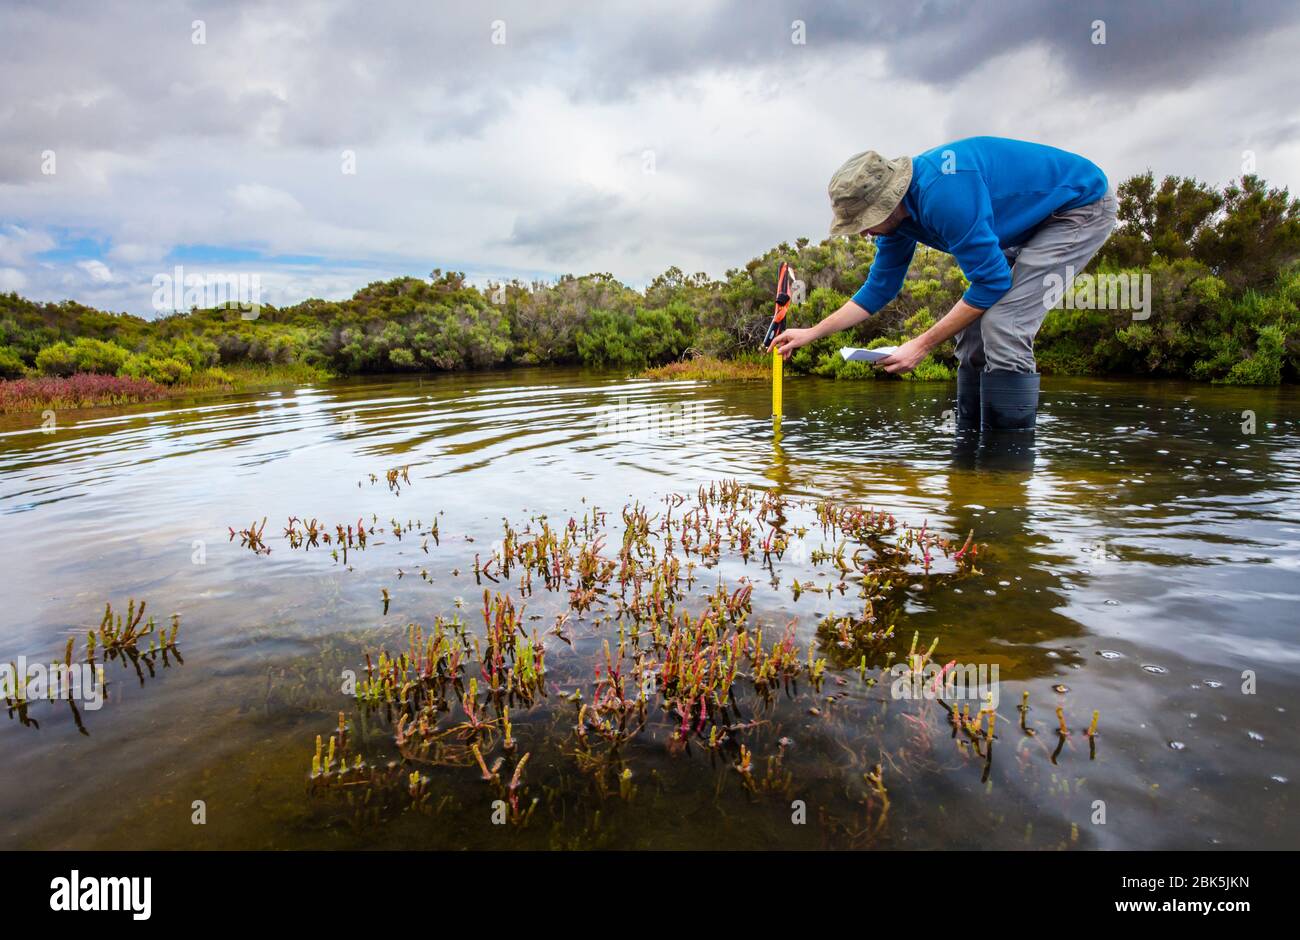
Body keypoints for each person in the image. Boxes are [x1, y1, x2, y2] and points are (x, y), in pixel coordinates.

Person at [769, 136, 1117, 431]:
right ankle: (969, 455)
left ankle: (1005, 471)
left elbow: (992, 283)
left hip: (1077, 209)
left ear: (890, 201)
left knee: (1003, 324)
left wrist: (921, 345)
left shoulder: (944, 194)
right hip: (1024, 224)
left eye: (867, 220)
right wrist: (812, 332)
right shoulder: (897, 222)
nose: (863, 231)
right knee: (972, 332)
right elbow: (880, 287)